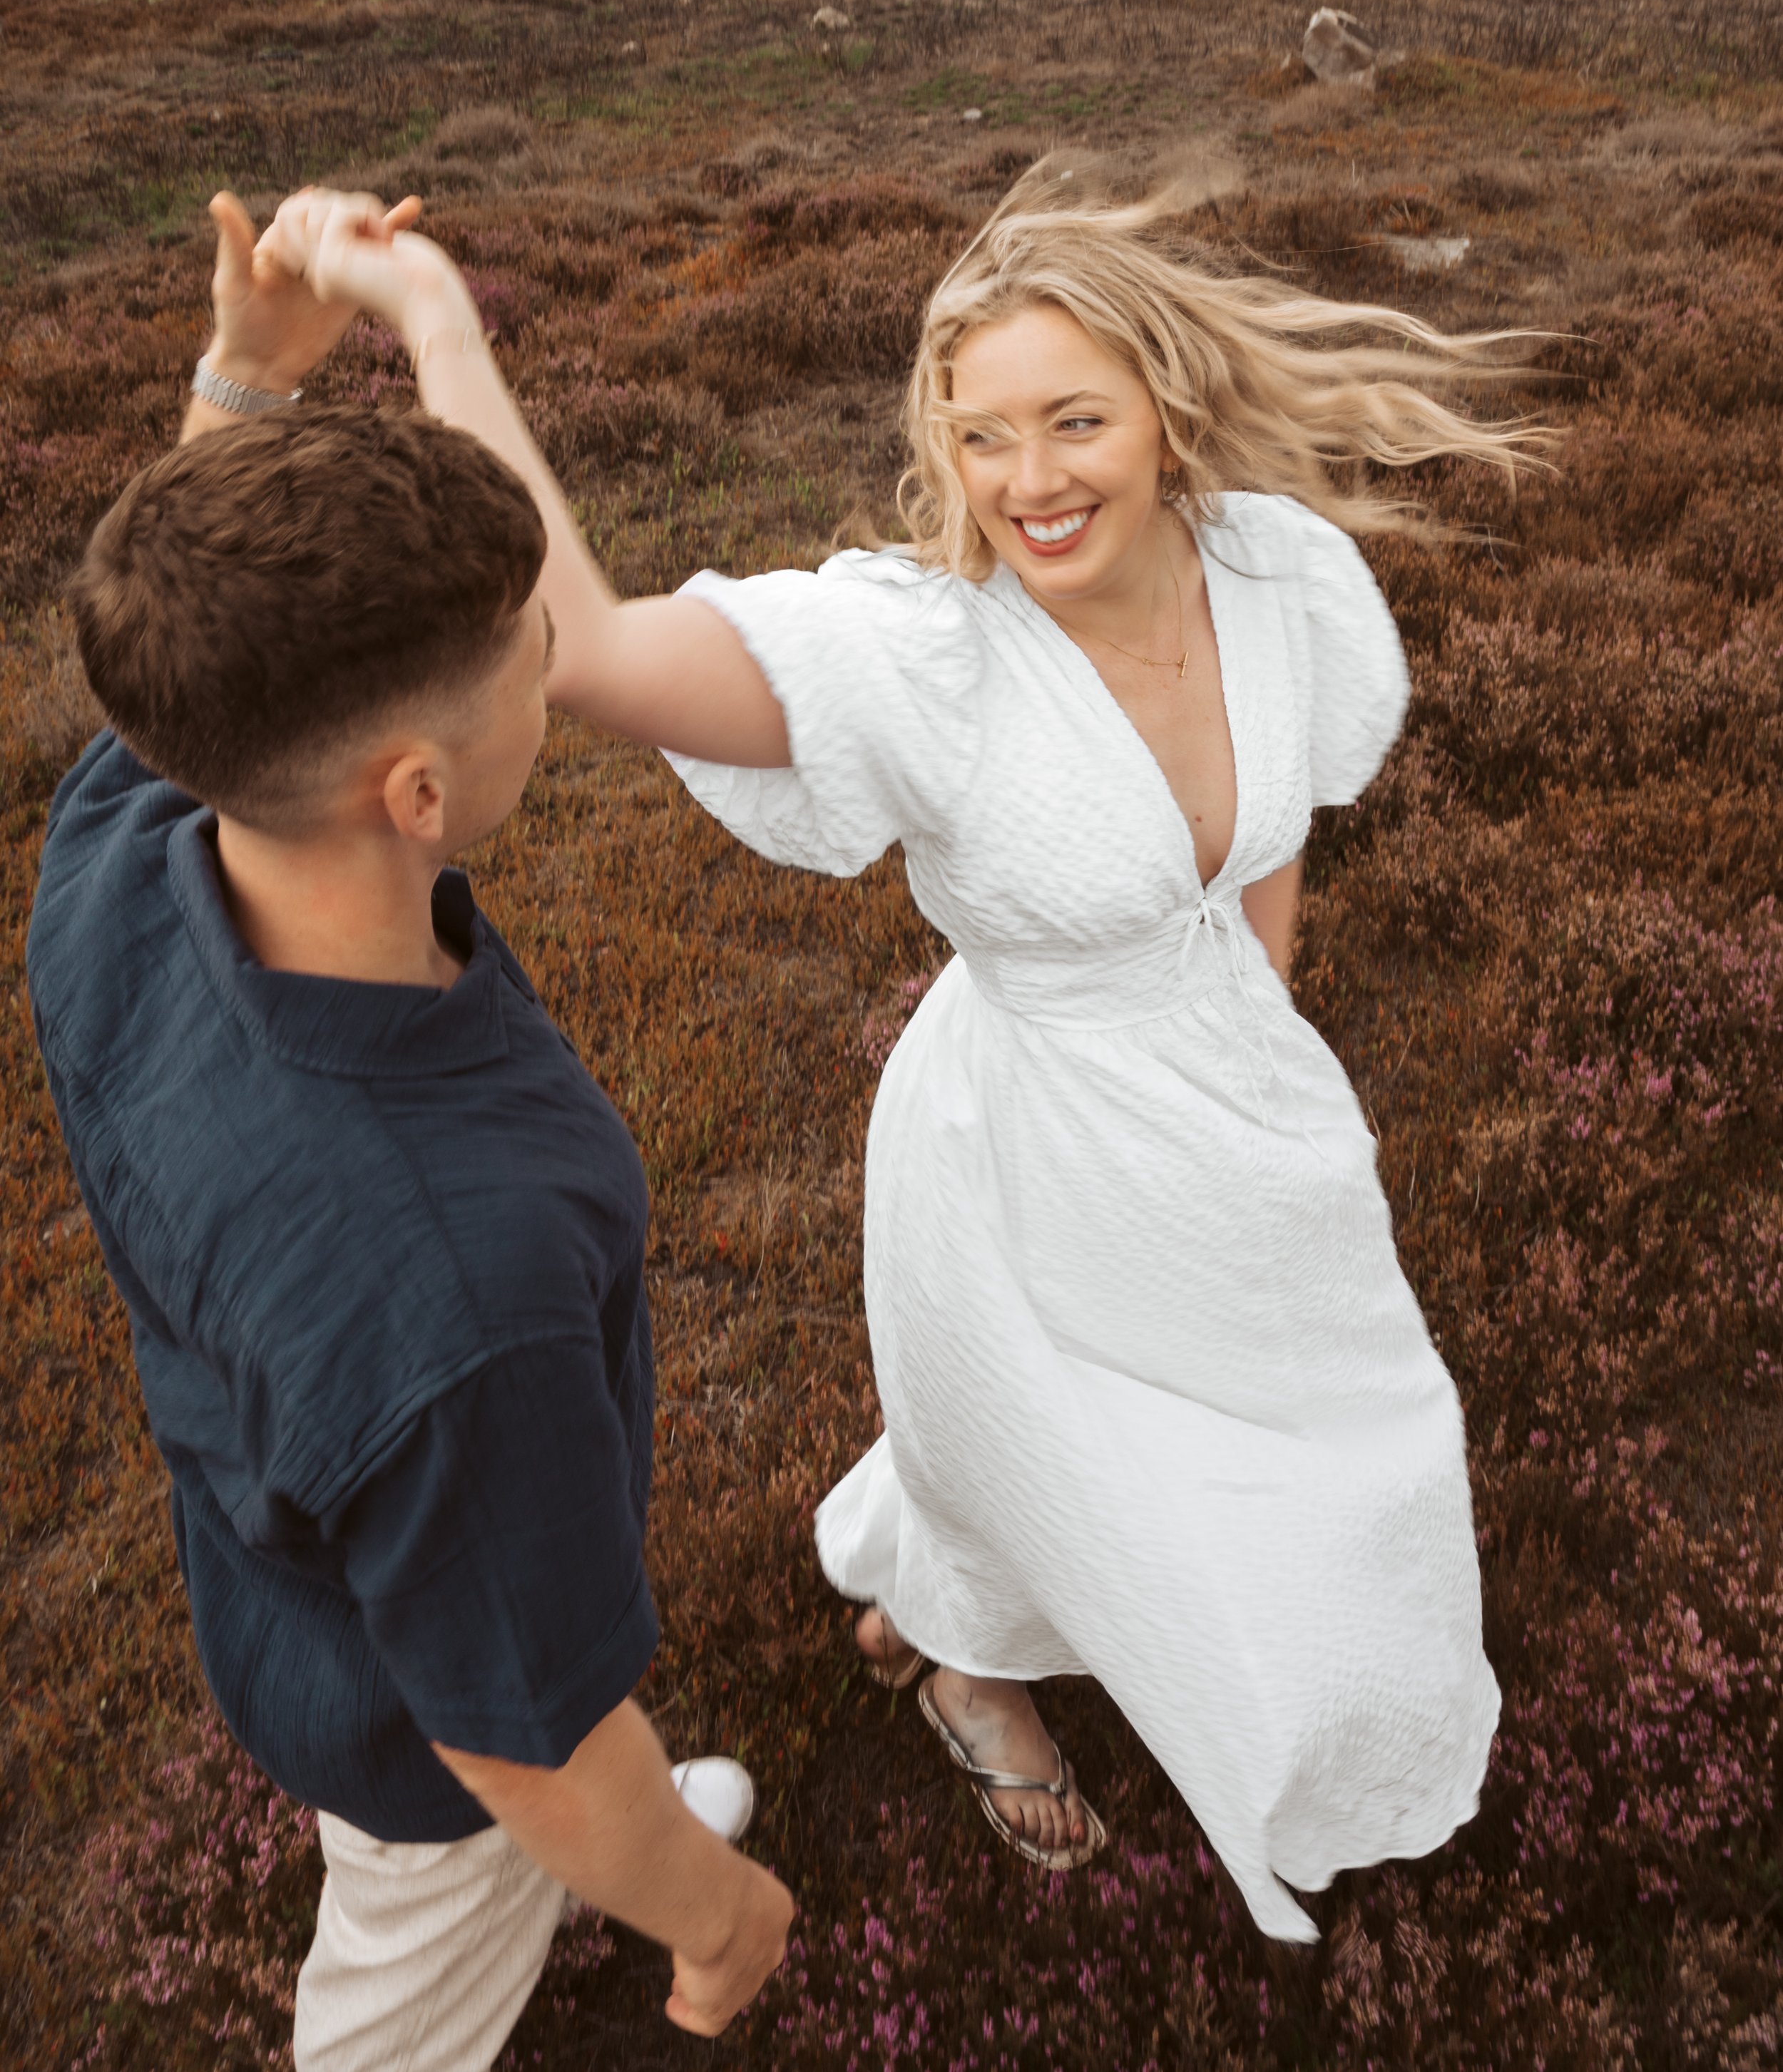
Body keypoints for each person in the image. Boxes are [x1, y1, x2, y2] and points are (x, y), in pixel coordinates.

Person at [297, 161, 1523, 1942]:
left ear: (1166, 414)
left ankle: (1103, 1636)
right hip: (1020, 1149)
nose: (1026, 481)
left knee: (1347, 1455)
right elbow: (587, 647)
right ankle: (966, 1669)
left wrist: (1262, 1035)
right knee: (1040, 1443)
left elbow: (1264, 851)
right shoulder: (920, 657)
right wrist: (430, 318)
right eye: (979, 436)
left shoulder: (1279, 579)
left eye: (1072, 419)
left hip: (1242, 1114)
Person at [26, 194, 793, 2071]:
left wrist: (244, 382)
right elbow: (513, 1731)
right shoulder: (457, 1280)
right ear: (421, 788)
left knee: (516, 1703)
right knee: (413, 1966)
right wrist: (708, 1910)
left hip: (293, 1532)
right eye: (540, 653)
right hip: (420, 1734)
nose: (566, 665)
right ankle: (594, 1870)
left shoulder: (131, 850)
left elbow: (200, 651)